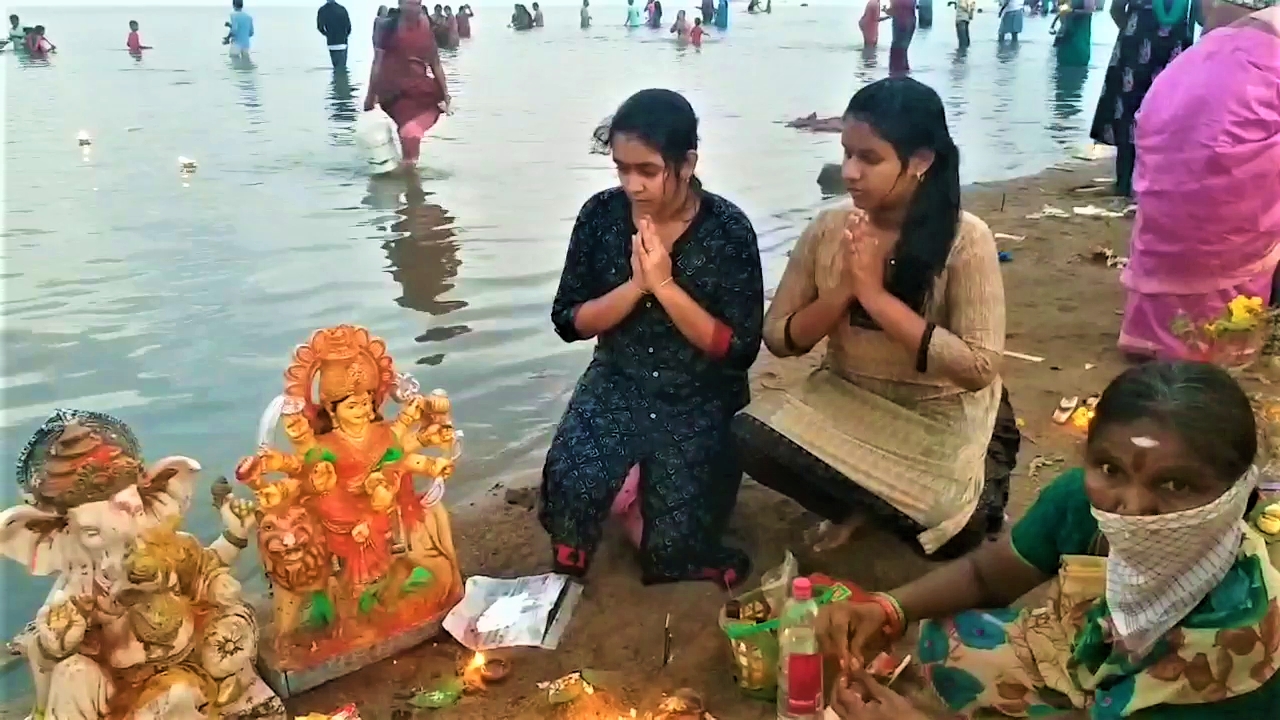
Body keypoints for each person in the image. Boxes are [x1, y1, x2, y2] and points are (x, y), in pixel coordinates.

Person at [821, 361, 1280, 719]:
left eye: (1176, 486)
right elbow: (988, 576)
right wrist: (887, 608)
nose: (1133, 506)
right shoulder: (1081, 503)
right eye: (1111, 470)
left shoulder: (1239, 631)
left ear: (1241, 495)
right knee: (943, 637)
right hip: (1084, 664)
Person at [734, 77, 1017, 561]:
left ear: (921, 162)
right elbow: (779, 338)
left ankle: (874, 505)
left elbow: (978, 368)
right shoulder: (829, 229)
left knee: (957, 531)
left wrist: (875, 296)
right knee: (747, 435)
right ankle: (866, 505)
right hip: (848, 402)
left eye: (869, 158)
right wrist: (844, 291)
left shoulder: (965, 240)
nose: (849, 172)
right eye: (846, 153)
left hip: (938, 418)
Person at [541, 89, 764, 587]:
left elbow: (738, 349)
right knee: (572, 486)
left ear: (686, 164)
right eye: (621, 169)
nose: (632, 185)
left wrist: (664, 286)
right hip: (620, 376)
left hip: (700, 391)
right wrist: (636, 287)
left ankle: (644, 494)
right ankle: (626, 490)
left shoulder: (728, 231)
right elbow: (570, 320)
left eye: (647, 170)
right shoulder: (600, 217)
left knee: (669, 549)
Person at [1117, 3, 1280, 361]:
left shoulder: (1199, 57)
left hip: (1163, 226)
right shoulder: (1266, 57)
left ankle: (1154, 333)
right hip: (1229, 221)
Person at [1089, 0, 1196, 199]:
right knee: (1167, 110)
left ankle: (1124, 184)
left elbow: (1117, 9)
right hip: (1174, 44)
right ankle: (1155, 184)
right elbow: (1201, 15)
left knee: (1128, 109)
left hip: (1136, 40)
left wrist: (1134, 29)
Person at [364, 0, 452, 171]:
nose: (414, 7)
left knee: (409, 134)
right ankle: (410, 179)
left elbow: (436, 63)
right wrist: (370, 95)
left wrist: (445, 93)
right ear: (400, 4)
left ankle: (410, 178)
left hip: (420, 90)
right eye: (409, 3)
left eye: (417, 3)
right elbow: (377, 64)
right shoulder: (387, 28)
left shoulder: (426, 26)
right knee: (408, 132)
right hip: (393, 91)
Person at [1052, 0, 1095, 65]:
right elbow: (1060, 9)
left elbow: (1089, 10)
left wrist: (1072, 11)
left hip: (1079, 35)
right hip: (1066, 36)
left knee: (1077, 62)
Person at [317, 0, 352, 69]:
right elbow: (349, 27)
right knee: (342, 67)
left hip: (331, 43)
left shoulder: (322, 10)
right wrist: (345, 36)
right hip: (342, 42)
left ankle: (336, 79)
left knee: (335, 66)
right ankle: (341, 79)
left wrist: (327, 35)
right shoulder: (342, 9)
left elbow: (320, 27)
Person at [888, 0, 917, 73]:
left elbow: (894, 10)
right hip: (908, 22)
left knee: (897, 51)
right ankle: (903, 73)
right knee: (902, 51)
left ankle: (898, 73)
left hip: (902, 23)